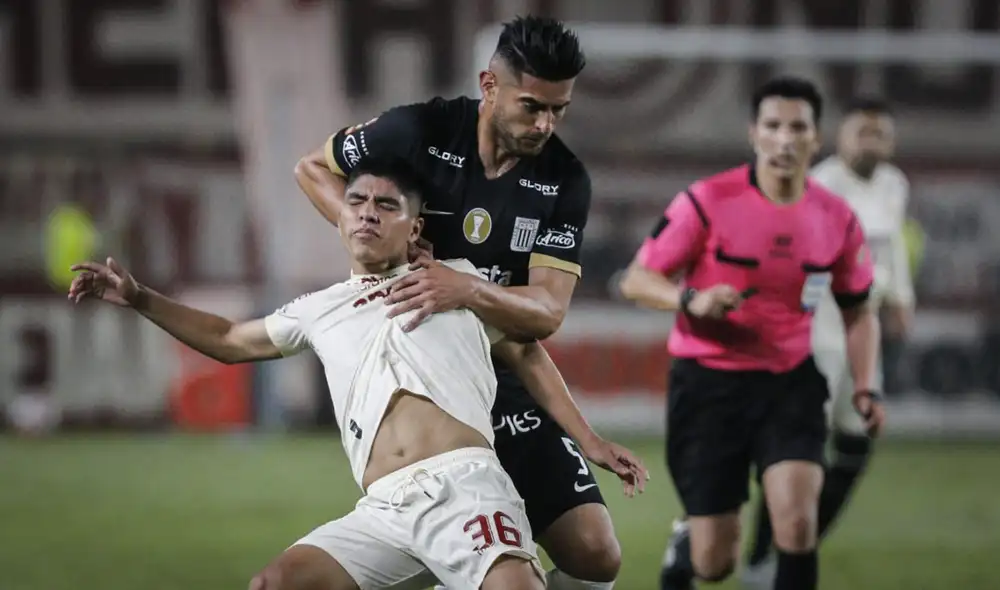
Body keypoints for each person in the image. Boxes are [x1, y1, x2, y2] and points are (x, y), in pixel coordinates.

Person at [67, 158, 647, 590]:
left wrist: (589, 439)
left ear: (415, 229)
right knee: (273, 585)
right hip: (384, 510)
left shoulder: (459, 280)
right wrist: (140, 297)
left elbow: (528, 352)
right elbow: (227, 339)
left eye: (387, 205)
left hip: (466, 489)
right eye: (357, 201)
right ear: (341, 217)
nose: (368, 212)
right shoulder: (318, 309)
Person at [295, 15, 631, 590]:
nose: (545, 124)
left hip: (504, 375)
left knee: (597, 554)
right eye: (532, 106)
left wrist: (466, 287)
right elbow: (312, 168)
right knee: (446, 556)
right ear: (489, 85)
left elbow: (547, 312)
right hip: (428, 380)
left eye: (559, 110)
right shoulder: (418, 130)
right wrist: (389, 246)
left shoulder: (564, 180)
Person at [618, 76, 887, 590]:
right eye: (773, 126)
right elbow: (636, 279)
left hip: (790, 382)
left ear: (816, 137)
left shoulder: (837, 219)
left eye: (798, 128)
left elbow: (859, 311)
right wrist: (691, 300)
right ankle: (687, 547)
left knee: (798, 522)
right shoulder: (706, 201)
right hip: (709, 387)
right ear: (753, 133)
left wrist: (865, 385)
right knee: (715, 562)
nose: (785, 139)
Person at [741, 96, 915, 589]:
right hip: (820, 330)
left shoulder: (893, 185)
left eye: (880, 134)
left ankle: (795, 546)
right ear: (841, 137)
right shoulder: (819, 184)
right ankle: (761, 558)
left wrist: (901, 297)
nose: (871, 142)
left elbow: (892, 245)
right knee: (800, 454)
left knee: (857, 442)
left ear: (891, 142)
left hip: (863, 327)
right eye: (862, 132)